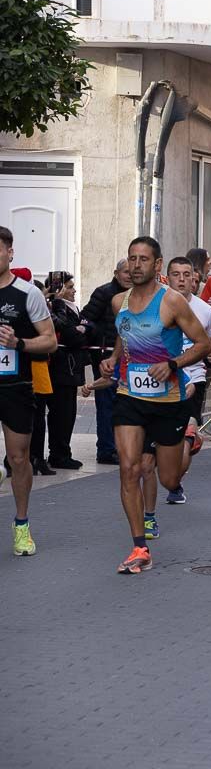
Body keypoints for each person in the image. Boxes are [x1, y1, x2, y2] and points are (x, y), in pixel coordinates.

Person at [100, 237, 211, 574]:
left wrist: (174, 365)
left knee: (168, 479)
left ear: (157, 265)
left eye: (143, 259)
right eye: (131, 259)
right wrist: (114, 358)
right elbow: (125, 334)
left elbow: (204, 344)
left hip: (167, 400)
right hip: (129, 396)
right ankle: (139, 546)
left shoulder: (173, 302)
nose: (135, 265)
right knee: (129, 468)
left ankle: (189, 441)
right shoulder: (118, 301)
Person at [0, 229, 57, 556]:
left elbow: (49, 340)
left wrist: (18, 343)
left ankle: (21, 524)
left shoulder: (26, 294)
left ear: (10, 253)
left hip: (15, 387)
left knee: (19, 458)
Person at [163, 257, 211, 504]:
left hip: (193, 379)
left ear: (194, 279)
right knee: (163, 441)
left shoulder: (205, 311)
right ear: (167, 278)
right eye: (176, 274)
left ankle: (175, 484)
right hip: (160, 379)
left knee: (183, 436)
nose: (182, 280)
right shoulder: (156, 305)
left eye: (187, 275)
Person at [80, 258, 131, 464]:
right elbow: (86, 318)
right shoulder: (104, 293)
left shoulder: (138, 293)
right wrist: (99, 335)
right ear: (116, 273)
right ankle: (106, 449)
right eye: (125, 271)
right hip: (106, 356)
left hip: (132, 356)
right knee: (106, 403)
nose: (129, 275)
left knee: (127, 405)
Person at [41, 272, 86, 471]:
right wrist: (57, 303)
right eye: (69, 287)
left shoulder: (74, 309)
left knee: (67, 414)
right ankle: (58, 453)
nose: (74, 290)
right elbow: (69, 334)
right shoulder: (52, 308)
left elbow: (87, 331)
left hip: (71, 369)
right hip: (59, 369)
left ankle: (62, 452)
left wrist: (82, 329)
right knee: (59, 414)